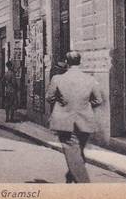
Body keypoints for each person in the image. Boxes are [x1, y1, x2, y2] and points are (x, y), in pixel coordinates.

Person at [45, 51, 103, 183]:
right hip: (85, 122)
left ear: (66, 63)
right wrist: (85, 105)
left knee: (72, 153)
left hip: (64, 121)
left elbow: (49, 97)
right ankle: (71, 176)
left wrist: (61, 101)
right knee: (77, 152)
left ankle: (84, 186)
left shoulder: (57, 79)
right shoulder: (90, 79)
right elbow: (98, 100)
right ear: (80, 62)